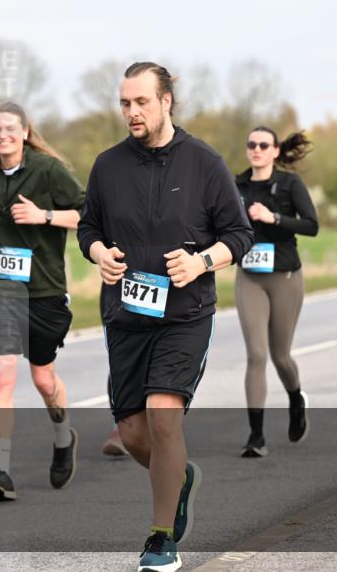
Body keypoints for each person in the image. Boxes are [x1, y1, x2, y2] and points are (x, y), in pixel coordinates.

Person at [77, 62, 253, 572]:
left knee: (162, 413)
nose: (132, 112)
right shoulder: (107, 165)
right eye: (125, 103)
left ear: (166, 101)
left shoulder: (204, 162)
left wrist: (201, 261)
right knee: (133, 433)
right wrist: (98, 255)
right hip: (126, 315)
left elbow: (240, 235)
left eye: (142, 103)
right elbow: (89, 227)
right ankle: (180, 478)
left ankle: (160, 538)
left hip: (185, 314)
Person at [0, 101, 85, 502]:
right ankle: (1, 470)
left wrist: (44, 216)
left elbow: (88, 214)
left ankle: (64, 437)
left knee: (44, 378)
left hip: (43, 291)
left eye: (10, 129)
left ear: (26, 132)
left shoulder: (48, 171)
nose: (2, 136)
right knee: (0, 374)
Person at [234, 126, 317, 458]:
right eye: (251, 144)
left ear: (275, 151)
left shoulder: (290, 184)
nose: (256, 149)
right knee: (256, 354)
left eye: (263, 145)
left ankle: (296, 398)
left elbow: (312, 225)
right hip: (249, 276)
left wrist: (274, 217)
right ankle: (256, 436)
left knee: (280, 355)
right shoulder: (236, 185)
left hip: (284, 275)